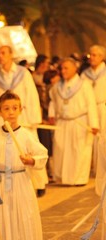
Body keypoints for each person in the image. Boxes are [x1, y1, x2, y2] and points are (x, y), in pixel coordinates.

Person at [0, 90, 48, 240]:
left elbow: (42, 154)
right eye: (6, 109)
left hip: (21, 182)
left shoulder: (26, 135)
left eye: (14, 108)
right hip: (1, 185)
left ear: (20, 110)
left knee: (24, 215)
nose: (11, 112)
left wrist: (31, 160)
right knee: (3, 218)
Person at [0, 45, 48, 197]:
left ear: (11, 55)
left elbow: (31, 95)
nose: (0, 56)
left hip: (24, 118)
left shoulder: (23, 73)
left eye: (3, 53)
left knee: (30, 151)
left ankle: (39, 183)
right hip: (7, 120)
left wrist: (34, 119)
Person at [49, 57, 99, 185]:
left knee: (78, 150)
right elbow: (53, 102)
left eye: (66, 68)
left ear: (74, 69)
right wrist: (52, 115)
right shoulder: (57, 87)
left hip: (79, 122)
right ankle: (63, 178)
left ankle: (78, 179)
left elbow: (91, 104)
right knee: (61, 149)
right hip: (63, 122)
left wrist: (94, 124)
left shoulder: (84, 85)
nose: (63, 71)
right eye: (62, 68)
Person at [80, 45, 106, 175]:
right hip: (89, 109)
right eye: (90, 55)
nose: (92, 58)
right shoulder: (85, 75)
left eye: (95, 55)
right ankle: (92, 167)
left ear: (102, 57)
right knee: (90, 137)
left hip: (103, 107)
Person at [37, 69, 60, 180]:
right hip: (46, 122)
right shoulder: (51, 89)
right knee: (49, 146)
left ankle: (50, 171)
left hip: (45, 120)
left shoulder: (44, 88)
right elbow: (46, 105)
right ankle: (51, 171)